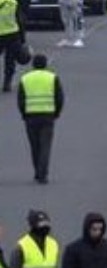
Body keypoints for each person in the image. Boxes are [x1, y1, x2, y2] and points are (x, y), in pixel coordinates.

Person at [18, 52, 63, 184]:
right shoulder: (52, 77)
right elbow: (59, 98)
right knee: (45, 146)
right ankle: (43, 173)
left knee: (35, 145)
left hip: (30, 116)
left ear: (33, 65)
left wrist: (23, 114)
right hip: (48, 115)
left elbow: (21, 100)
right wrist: (57, 113)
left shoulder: (25, 78)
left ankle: (37, 171)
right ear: (46, 64)